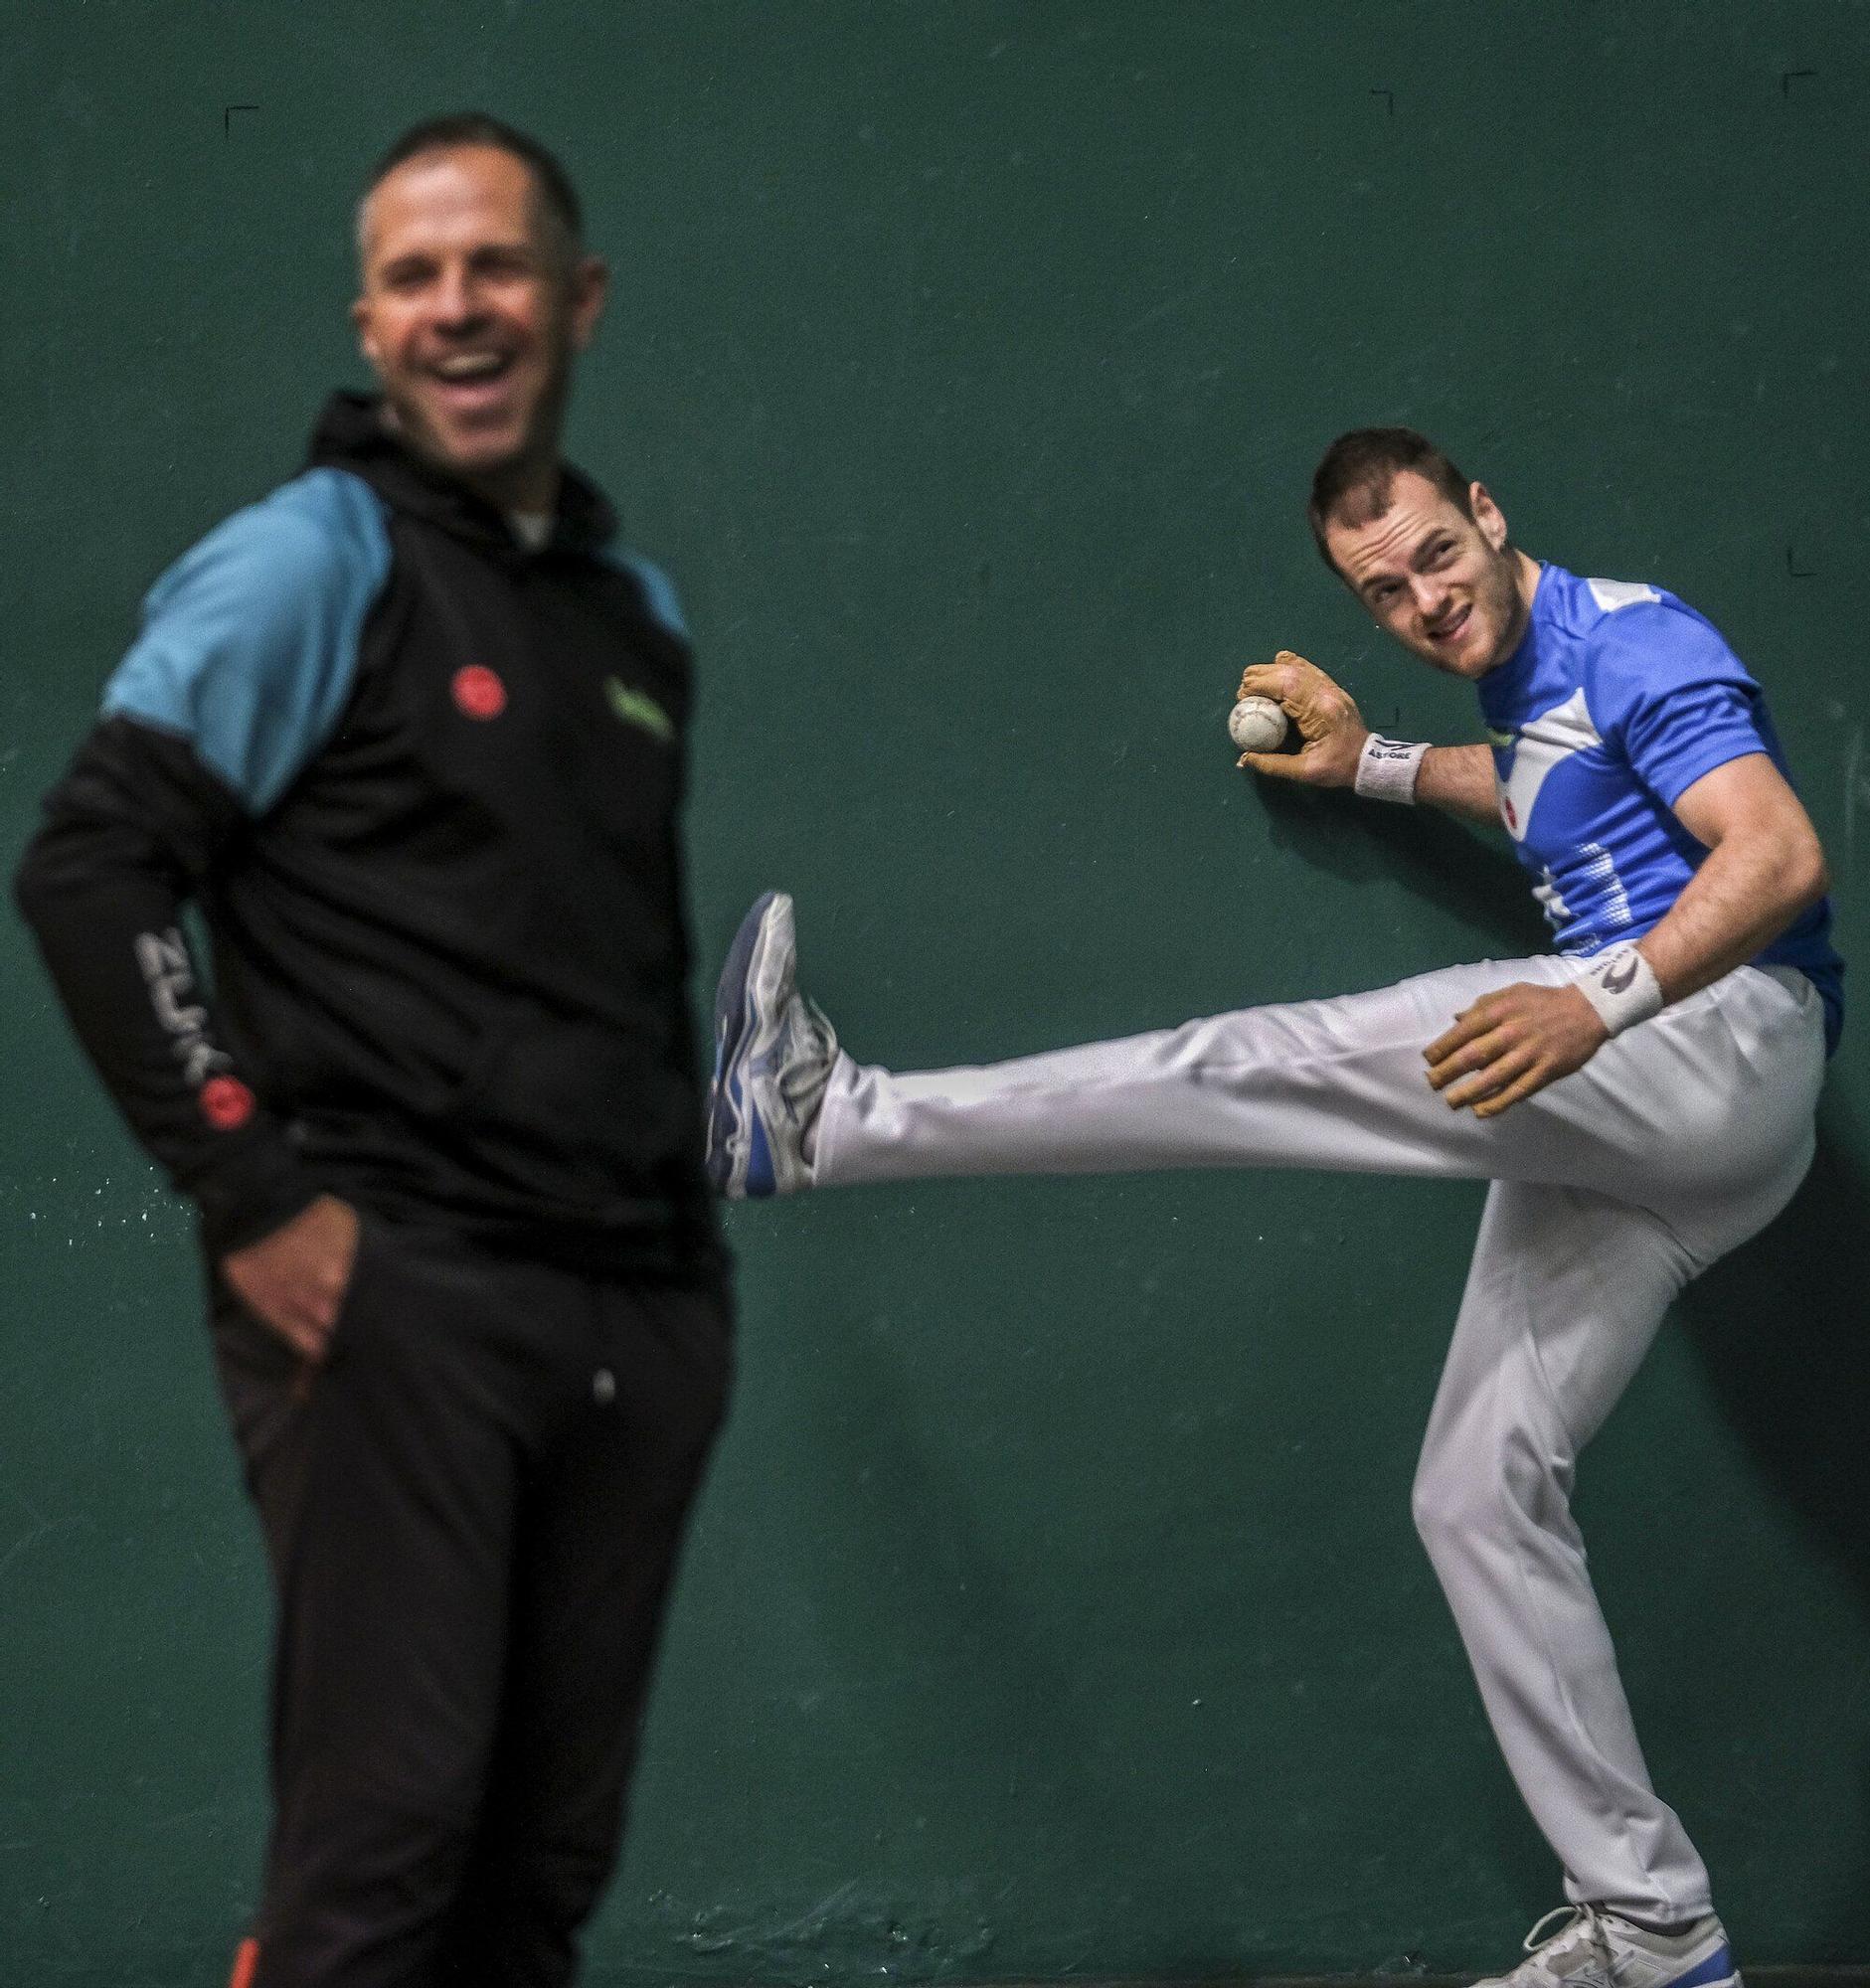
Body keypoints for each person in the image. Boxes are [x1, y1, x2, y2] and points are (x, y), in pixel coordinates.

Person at [705, 428, 1842, 1988]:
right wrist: (1373, 763)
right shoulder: (1532, 690)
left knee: (1260, 1059)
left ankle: (828, 1121)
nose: (1428, 599)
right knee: (1473, 1493)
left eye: (1440, 554)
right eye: (1388, 589)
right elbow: (1542, 791)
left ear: (1489, 514)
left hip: (1712, 1042)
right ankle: (1654, 1927)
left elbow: (1776, 852)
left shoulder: (1633, 636)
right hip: (1689, 1141)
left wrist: (1599, 1003)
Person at [14, 114, 731, 1988]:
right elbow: (92, 872)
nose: (456, 307)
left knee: (538, 1875)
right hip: (398, 1289)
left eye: (493, 265)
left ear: (574, 301)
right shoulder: (308, 563)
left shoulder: (628, 615)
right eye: (413, 276)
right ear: (369, 320)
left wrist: (680, 1299)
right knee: (382, 1858)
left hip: (632, 1307)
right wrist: (253, 1195)